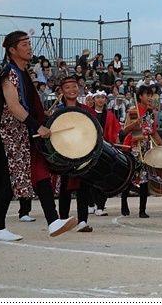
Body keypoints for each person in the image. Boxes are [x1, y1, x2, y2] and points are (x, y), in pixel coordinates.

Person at [0, 30, 77, 241]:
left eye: (29, 43)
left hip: (23, 136)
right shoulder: (9, 74)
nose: (29, 47)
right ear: (12, 50)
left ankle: (53, 221)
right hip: (8, 138)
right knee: (7, 182)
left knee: (41, 174)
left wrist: (42, 118)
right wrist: (37, 126)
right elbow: (13, 107)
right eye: (24, 44)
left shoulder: (22, 73)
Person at [54, 76, 93, 232]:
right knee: (65, 186)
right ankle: (63, 219)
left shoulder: (87, 110)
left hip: (84, 152)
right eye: (68, 87)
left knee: (84, 186)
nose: (72, 90)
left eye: (74, 86)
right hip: (65, 153)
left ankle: (82, 220)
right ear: (62, 91)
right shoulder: (57, 111)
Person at [121, 85, 162, 218]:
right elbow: (125, 130)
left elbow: (153, 131)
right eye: (148, 95)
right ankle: (124, 201)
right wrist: (136, 123)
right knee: (130, 177)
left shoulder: (151, 112)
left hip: (145, 147)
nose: (150, 98)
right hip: (133, 147)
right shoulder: (133, 111)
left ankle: (142, 210)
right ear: (140, 96)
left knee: (145, 179)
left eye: (151, 95)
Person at [87, 89, 121, 216]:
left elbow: (115, 132)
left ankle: (100, 206)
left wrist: (117, 148)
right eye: (98, 97)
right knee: (89, 178)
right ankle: (91, 204)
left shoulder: (110, 115)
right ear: (94, 99)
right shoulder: (89, 114)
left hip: (105, 149)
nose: (100, 100)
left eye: (103, 97)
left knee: (103, 178)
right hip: (90, 149)